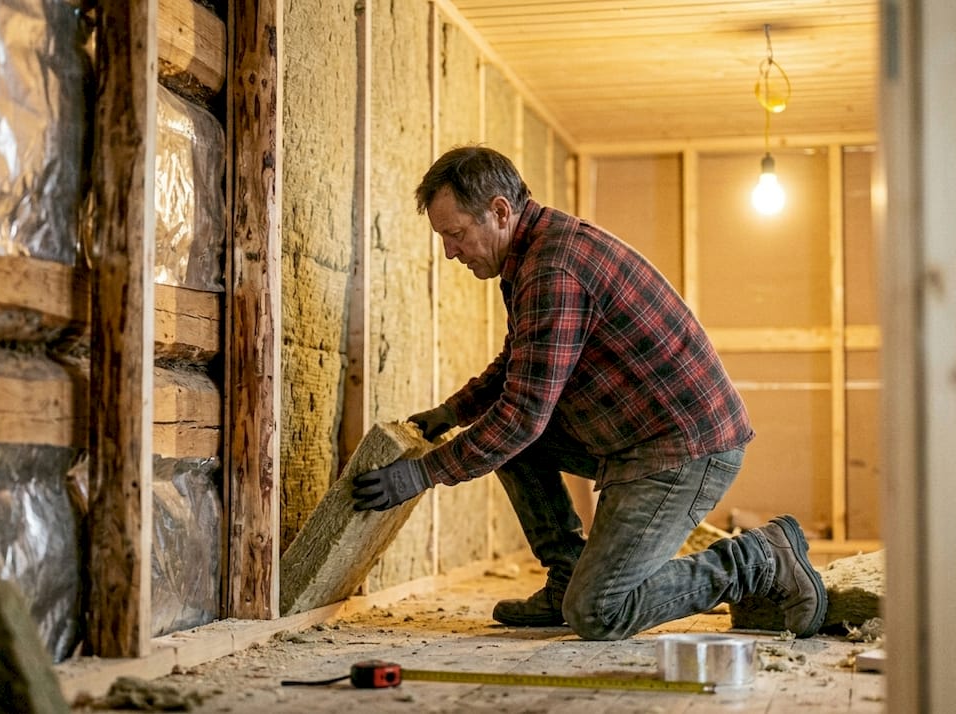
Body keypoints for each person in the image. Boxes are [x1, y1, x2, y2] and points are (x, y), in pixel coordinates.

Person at [351, 146, 826, 641]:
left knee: (600, 610)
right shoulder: (531, 257)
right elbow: (521, 364)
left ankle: (761, 557)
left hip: (683, 449)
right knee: (505, 444)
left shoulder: (552, 269)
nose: (451, 252)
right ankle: (565, 578)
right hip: (636, 436)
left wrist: (422, 474)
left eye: (455, 234)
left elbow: (521, 416)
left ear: (498, 211)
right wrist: (452, 411)